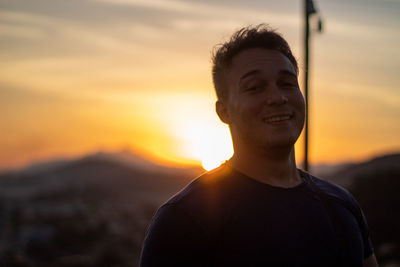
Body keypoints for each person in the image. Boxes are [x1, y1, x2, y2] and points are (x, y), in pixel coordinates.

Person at [139, 24, 379, 267]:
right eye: (255, 87)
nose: (278, 97)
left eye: (287, 83)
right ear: (224, 111)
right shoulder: (183, 220)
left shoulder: (341, 204)